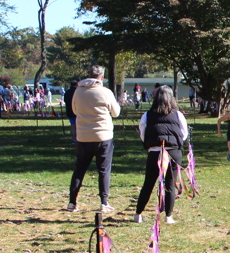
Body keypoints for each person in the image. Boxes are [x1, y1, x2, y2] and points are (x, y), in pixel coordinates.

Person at [67, 65, 121, 213]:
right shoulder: (105, 92)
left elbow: (74, 110)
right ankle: (104, 202)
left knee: (79, 169)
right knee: (104, 170)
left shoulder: (78, 91)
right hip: (103, 136)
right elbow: (116, 113)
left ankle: (72, 202)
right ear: (101, 77)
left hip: (83, 136)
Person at [134, 85, 188, 224]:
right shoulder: (178, 115)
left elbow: (143, 133)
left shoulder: (147, 115)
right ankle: (168, 216)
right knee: (170, 184)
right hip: (173, 152)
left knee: (148, 184)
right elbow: (184, 133)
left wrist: (152, 144)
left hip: (154, 152)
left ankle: (138, 214)